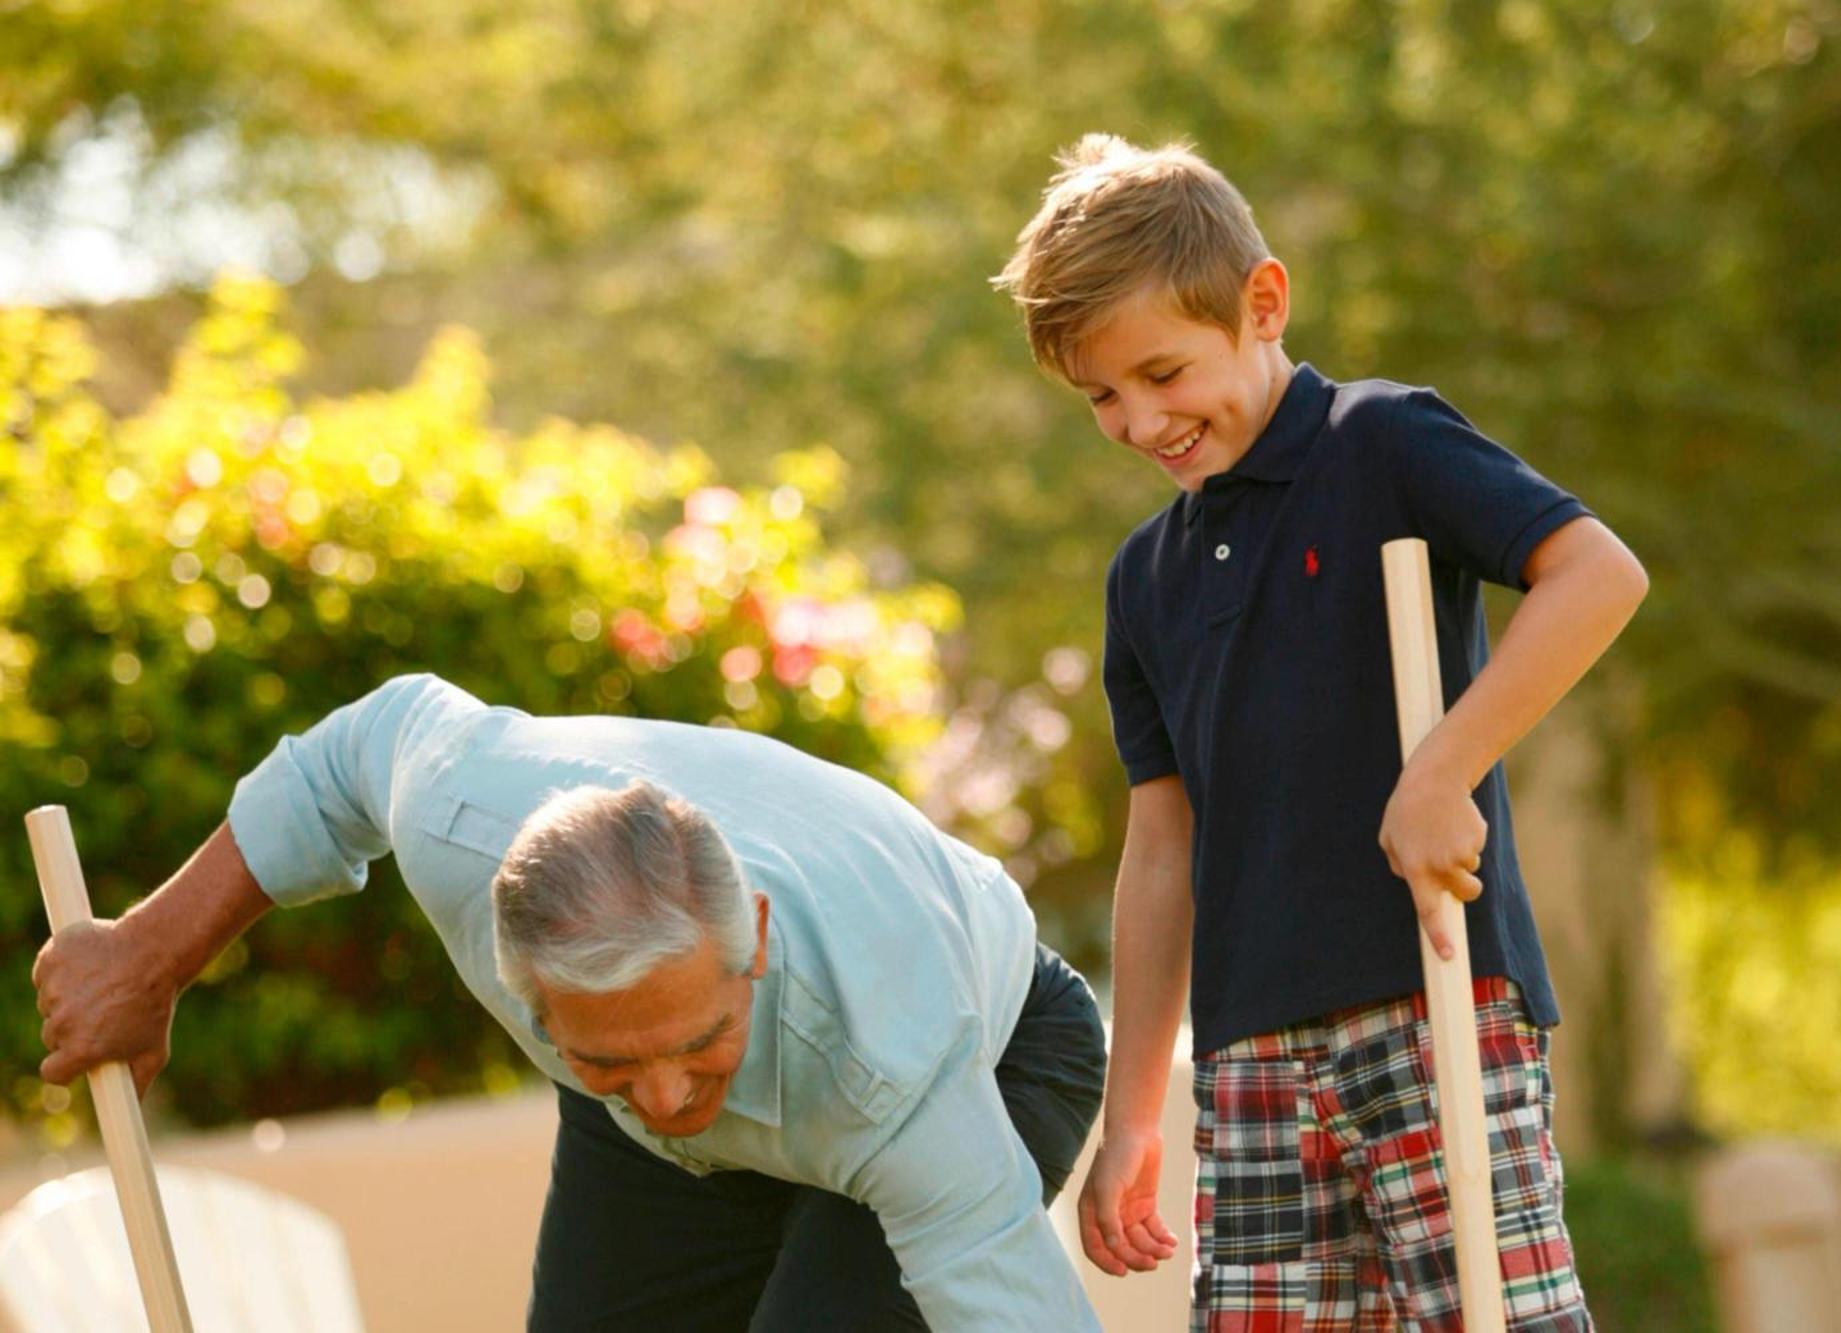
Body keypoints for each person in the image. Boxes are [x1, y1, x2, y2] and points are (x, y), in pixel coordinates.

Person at [994, 134, 1649, 1330]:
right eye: (1100, 396)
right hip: (1248, 1056)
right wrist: (1133, 1110)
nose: (1140, 420)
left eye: (1161, 372)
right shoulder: (1144, 578)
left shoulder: (1381, 442)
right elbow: (1160, 847)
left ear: (1261, 303)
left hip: (1427, 992)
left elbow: (1595, 575)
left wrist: (1441, 768)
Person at [32, 673, 1107, 1331]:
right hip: (671, 1163)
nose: (669, 1091)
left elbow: (1014, 1316)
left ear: (756, 947)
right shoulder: (458, 817)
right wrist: (153, 951)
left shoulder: (902, 1067)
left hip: (997, 1043)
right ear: (524, 988)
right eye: (606, 1060)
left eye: (697, 1039)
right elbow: (357, 748)